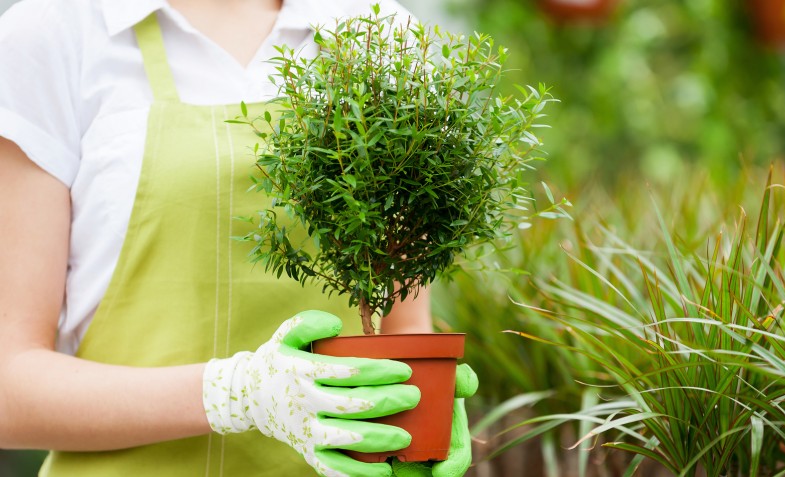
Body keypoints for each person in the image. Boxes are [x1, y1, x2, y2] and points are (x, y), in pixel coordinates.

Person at [0, 0, 475, 476]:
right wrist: (235, 394)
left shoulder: (382, 33)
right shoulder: (55, 32)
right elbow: (9, 385)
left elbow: (402, 329)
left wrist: (424, 420)